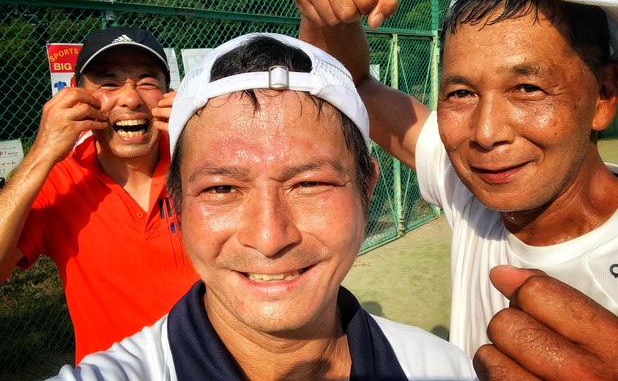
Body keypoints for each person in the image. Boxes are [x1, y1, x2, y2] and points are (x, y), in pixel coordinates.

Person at [46, 32, 478, 381]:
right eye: (221, 189)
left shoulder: (443, 368)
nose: (270, 238)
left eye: (309, 183)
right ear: (176, 201)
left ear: (367, 188)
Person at [293, 0, 618, 379]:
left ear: (604, 96)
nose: (485, 133)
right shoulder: (469, 185)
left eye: (527, 88)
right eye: (461, 93)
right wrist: (327, 12)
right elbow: (349, 84)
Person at [0, 26, 199, 363]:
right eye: (108, 81)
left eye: (147, 81)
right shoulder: (60, 180)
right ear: (75, 94)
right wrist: (42, 153)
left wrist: (204, 134)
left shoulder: (201, 164)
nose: (131, 98)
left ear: (168, 94)